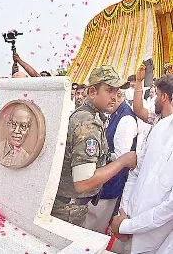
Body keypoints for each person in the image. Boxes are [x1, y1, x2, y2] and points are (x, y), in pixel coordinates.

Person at [51, 66, 137, 226]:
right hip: (70, 209)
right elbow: (83, 182)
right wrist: (122, 162)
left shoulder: (88, 115)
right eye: (109, 90)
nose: (114, 96)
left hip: (68, 204)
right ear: (92, 92)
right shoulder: (88, 123)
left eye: (117, 91)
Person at [111, 74, 173, 254]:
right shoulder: (160, 126)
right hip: (128, 221)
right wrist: (123, 212)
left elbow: (169, 207)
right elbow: (136, 172)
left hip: (153, 239)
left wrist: (128, 226)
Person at [85, 89, 137, 246]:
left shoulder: (126, 119)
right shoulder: (116, 113)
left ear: (119, 96)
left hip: (110, 183)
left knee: (94, 227)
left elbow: (123, 158)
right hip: (103, 179)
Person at [0, 104, 33, 168]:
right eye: (14, 124)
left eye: (23, 126)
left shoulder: (25, 158)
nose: (16, 130)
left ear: (28, 130)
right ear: (8, 124)